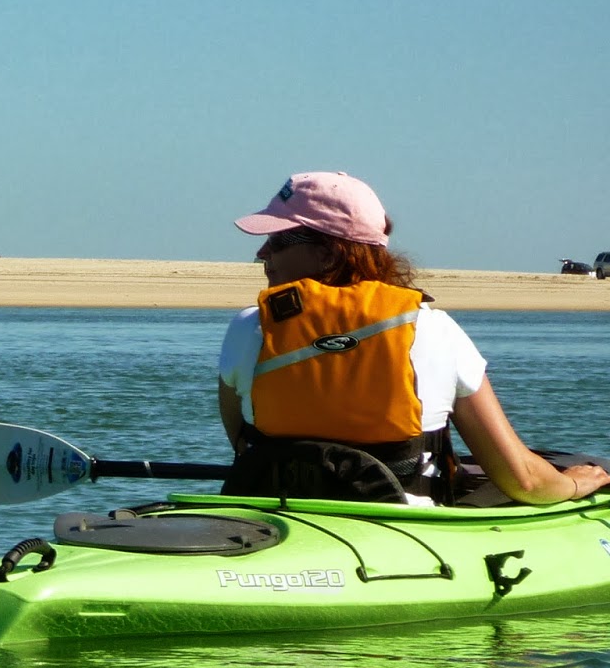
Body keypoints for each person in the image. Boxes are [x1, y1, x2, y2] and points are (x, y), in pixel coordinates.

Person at [218, 171, 608, 506]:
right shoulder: (434, 330)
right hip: (400, 530)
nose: (262, 252)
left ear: (328, 254)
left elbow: (242, 443)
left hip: (278, 518)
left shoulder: (249, 327)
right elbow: (524, 480)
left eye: (279, 240)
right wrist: (576, 483)